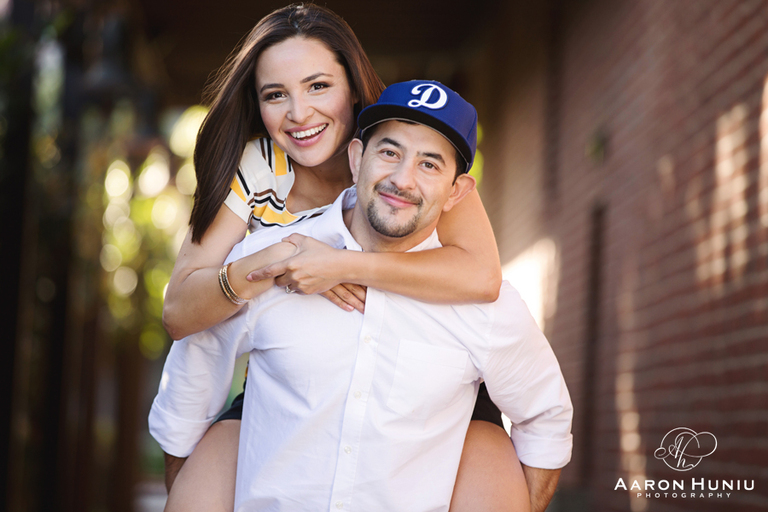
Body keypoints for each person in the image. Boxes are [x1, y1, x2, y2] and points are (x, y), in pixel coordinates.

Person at [159, 4, 528, 511]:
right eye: (275, 95)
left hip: (431, 394)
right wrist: (285, 258)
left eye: (317, 87)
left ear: (353, 86)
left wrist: (342, 264)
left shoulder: (408, 146)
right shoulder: (257, 167)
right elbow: (181, 310)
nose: (299, 114)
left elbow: (482, 275)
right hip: (301, 389)